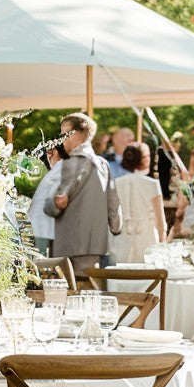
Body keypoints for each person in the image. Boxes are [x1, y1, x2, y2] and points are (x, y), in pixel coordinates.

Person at [46, 112, 121, 274]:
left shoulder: (70, 163)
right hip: (95, 244)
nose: (62, 139)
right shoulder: (103, 164)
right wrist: (116, 228)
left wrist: (50, 205)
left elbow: (54, 205)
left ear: (79, 134)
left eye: (65, 134)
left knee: (68, 293)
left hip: (68, 242)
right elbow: (113, 204)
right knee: (91, 290)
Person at [110, 142, 167, 264]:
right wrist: (163, 242)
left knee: (121, 276)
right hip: (147, 238)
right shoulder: (152, 184)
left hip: (121, 237)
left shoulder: (116, 183)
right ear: (144, 159)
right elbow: (160, 222)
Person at [28, 143, 65, 255]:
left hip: (46, 230)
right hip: (43, 229)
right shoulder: (60, 169)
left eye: (50, 152)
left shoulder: (62, 169)